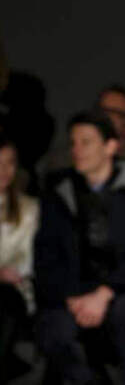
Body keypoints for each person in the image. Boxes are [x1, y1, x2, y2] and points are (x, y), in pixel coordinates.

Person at [35, 111, 125, 385]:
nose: (77, 150)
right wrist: (73, 298)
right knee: (54, 329)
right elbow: (46, 256)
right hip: (73, 295)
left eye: (86, 142)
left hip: (121, 292)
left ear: (110, 146)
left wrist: (105, 293)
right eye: (73, 143)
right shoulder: (59, 191)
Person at [0, 135, 39, 383]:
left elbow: (27, 261)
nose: (4, 170)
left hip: (15, 290)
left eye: (10, 162)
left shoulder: (29, 208)